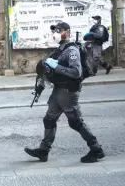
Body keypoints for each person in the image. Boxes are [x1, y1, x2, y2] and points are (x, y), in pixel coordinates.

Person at [24, 22, 105, 163]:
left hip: (68, 92)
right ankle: (43, 151)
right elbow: (48, 68)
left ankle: (96, 149)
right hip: (58, 91)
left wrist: (56, 67)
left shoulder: (72, 50)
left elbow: (76, 72)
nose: (56, 33)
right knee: (49, 119)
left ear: (67, 32)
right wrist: (42, 81)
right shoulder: (60, 49)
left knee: (75, 122)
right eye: (55, 30)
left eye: (59, 30)